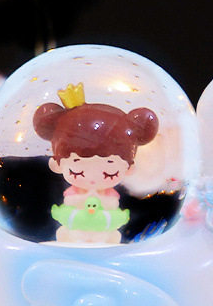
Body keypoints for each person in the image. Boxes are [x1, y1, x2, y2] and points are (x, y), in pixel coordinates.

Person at [33, 82, 158, 243]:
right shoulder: (73, 195)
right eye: (78, 172)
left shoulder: (110, 197)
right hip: (74, 233)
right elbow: (70, 203)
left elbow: (112, 205)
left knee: (111, 236)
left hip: (105, 234)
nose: (92, 178)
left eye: (109, 173)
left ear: (129, 168)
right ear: (56, 165)